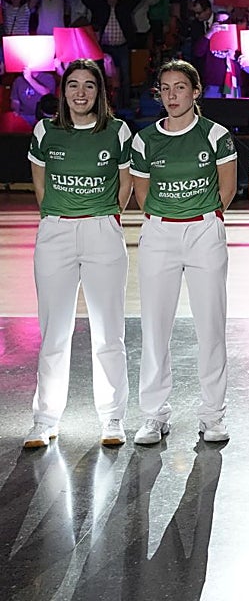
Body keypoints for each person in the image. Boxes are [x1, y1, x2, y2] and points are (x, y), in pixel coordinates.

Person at [23, 59, 133, 449]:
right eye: (73, 85)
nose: (81, 92)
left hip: (102, 228)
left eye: (89, 85)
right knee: (54, 331)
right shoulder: (45, 130)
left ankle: (113, 418)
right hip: (56, 230)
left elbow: (125, 185)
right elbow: (39, 183)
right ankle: (45, 419)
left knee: (109, 332)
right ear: (63, 91)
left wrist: (105, 218)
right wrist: (60, 216)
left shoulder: (117, 131)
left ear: (99, 91)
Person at [129, 60, 237, 445]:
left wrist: (203, 219)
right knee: (155, 327)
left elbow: (227, 188)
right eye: (165, 88)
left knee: (211, 325)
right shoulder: (144, 140)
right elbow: (141, 194)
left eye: (180, 88)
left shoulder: (216, 135)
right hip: (160, 234)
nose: (172, 95)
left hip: (204, 230)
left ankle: (213, 415)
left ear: (196, 92)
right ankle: (154, 416)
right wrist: (166, 217)